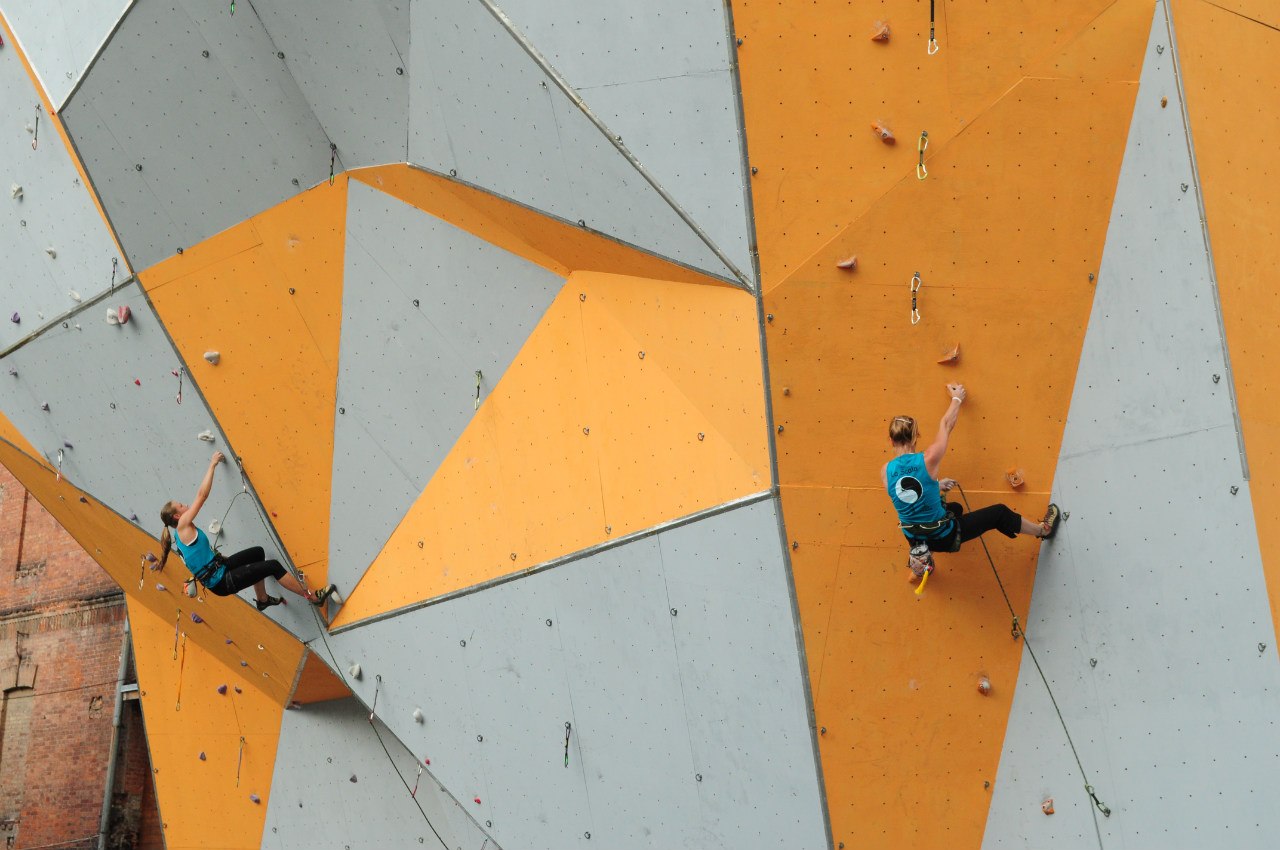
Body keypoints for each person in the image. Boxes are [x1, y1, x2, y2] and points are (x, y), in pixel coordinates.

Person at [881, 383, 1061, 578]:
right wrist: (957, 398)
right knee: (999, 513)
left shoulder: (885, 471)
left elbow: (906, 495)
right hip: (943, 537)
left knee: (956, 508)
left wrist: (936, 485)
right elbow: (946, 425)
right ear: (916, 437)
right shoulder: (929, 458)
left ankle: (921, 561)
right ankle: (1043, 530)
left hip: (914, 538)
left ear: (891, 440)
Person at [157, 451, 336, 610]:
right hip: (222, 582)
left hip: (221, 570)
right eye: (181, 506)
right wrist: (212, 464)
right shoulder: (183, 526)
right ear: (177, 517)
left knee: (258, 553)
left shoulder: (178, 535)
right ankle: (313, 597)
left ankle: (262, 600)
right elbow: (201, 496)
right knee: (273, 566)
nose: (185, 505)